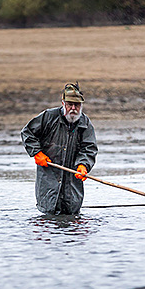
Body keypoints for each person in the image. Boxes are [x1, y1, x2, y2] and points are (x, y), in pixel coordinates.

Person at [21, 82, 98, 215]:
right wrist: (37, 153)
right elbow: (27, 133)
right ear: (63, 103)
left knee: (72, 217)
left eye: (77, 105)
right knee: (48, 217)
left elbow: (89, 148)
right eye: (70, 104)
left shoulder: (85, 124)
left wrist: (83, 165)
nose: (73, 108)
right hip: (48, 179)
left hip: (72, 184)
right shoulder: (48, 117)